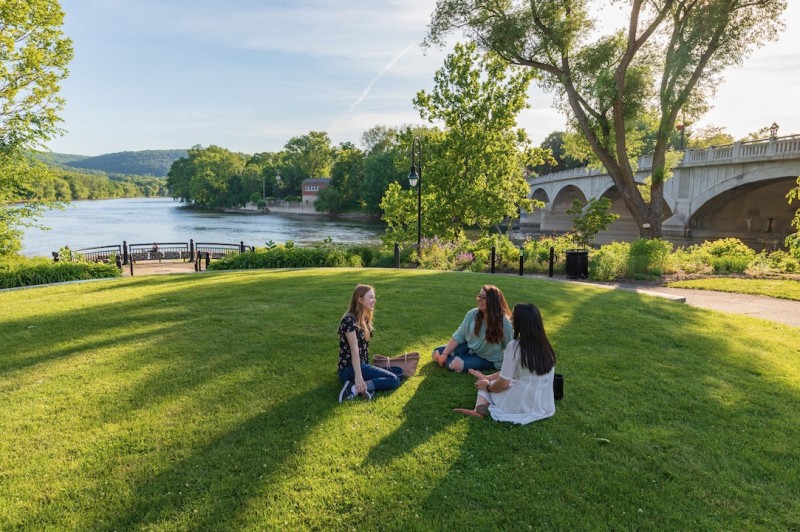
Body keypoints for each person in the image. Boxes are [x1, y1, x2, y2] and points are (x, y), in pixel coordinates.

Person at [453, 303, 556, 424]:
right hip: (541, 403)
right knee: (488, 381)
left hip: (519, 403)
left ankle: (478, 410)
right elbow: (511, 372)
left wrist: (487, 385)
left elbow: (503, 383)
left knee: (485, 386)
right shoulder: (546, 347)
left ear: (520, 323)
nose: (510, 320)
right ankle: (485, 401)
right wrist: (487, 377)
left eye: (513, 318)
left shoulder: (515, 347)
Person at [337, 284, 403, 402]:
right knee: (394, 379)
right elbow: (354, 350)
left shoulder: (364, 318)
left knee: (398, 371)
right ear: (360, 299)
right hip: (349, 368)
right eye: (371, 297)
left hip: (362, 365)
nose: (375, 300)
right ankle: (354, 388)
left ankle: (363, 386)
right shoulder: (349, 320)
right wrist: (358, 376)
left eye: (374, 297)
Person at [431, 285, 513, 373]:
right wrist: (445, 353)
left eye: (483, 297)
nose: (479, 299)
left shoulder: (504, 322)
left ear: (492, 302)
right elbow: (459, 335)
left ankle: (462, 358)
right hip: (470, 348)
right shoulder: (472, 314)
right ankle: (462, 356)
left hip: (489, 359)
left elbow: (511, 346)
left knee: (452, 364)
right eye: (479, 296)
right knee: (436, 353)